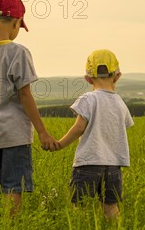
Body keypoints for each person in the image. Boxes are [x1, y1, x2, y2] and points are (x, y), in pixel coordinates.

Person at [0, 0, 59, 215]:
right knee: (12, 188)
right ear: (17, 23)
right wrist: (43, 133)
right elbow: (25, 95)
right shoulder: (18, 52)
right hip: (14, 135)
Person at [57, 49, 134, 219]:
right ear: (118, 76)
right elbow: (125, 125)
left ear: (87, 78)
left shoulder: (88, 99)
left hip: (88, 163)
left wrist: (60, 144)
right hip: (113, 165)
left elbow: (78, 128)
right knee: (111, 206)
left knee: (81, 206)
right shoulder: (120, 102)